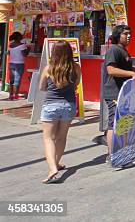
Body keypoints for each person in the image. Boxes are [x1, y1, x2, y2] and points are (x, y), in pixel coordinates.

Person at [101, 25, 135, 166]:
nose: (129, 36)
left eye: (130, 34)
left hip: (124, 94)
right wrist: (132, 73)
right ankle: (111, 155)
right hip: (114, 92)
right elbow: (111, 69)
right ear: (117, 35)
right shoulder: (113, 50)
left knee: (123, 123)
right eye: (125, 34)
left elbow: (123, 68)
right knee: (113, 123)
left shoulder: (123, 51)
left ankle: (122, 151)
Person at [38, 41, 80, 183]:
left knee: (48, 138)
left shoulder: (48, 68)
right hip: (68, 105)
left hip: (50, 105)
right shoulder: (76, 68)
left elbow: (41, 87)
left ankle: (52, 168)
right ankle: (56, 163)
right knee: (61, 137)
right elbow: (76, 84)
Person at [8, 32, 29, 100]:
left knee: (11, 80)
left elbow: (9, 53)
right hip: (19, 64)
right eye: (20, 36)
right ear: (18, 37)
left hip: (11, 63)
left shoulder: (11, 45)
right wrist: (28, 49)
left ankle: (11, 95)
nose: (22, 37)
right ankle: (16, 95)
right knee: (17, 81)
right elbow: (24, 55)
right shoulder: (22, 45)